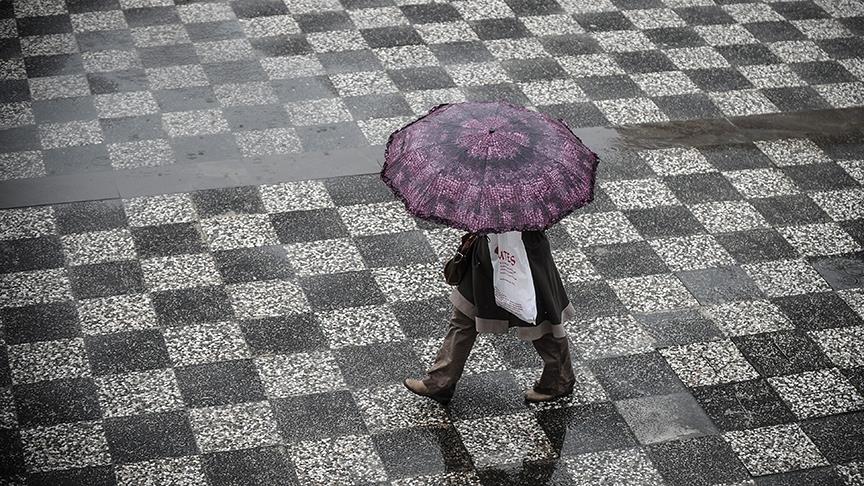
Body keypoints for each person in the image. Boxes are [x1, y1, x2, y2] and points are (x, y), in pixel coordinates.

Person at [404, 230, 576, 404]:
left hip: (525, 254)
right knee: (465, 314)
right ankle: (440, 381)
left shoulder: (528, 207)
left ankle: (560, 379)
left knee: (540, 318)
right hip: (487, 251)